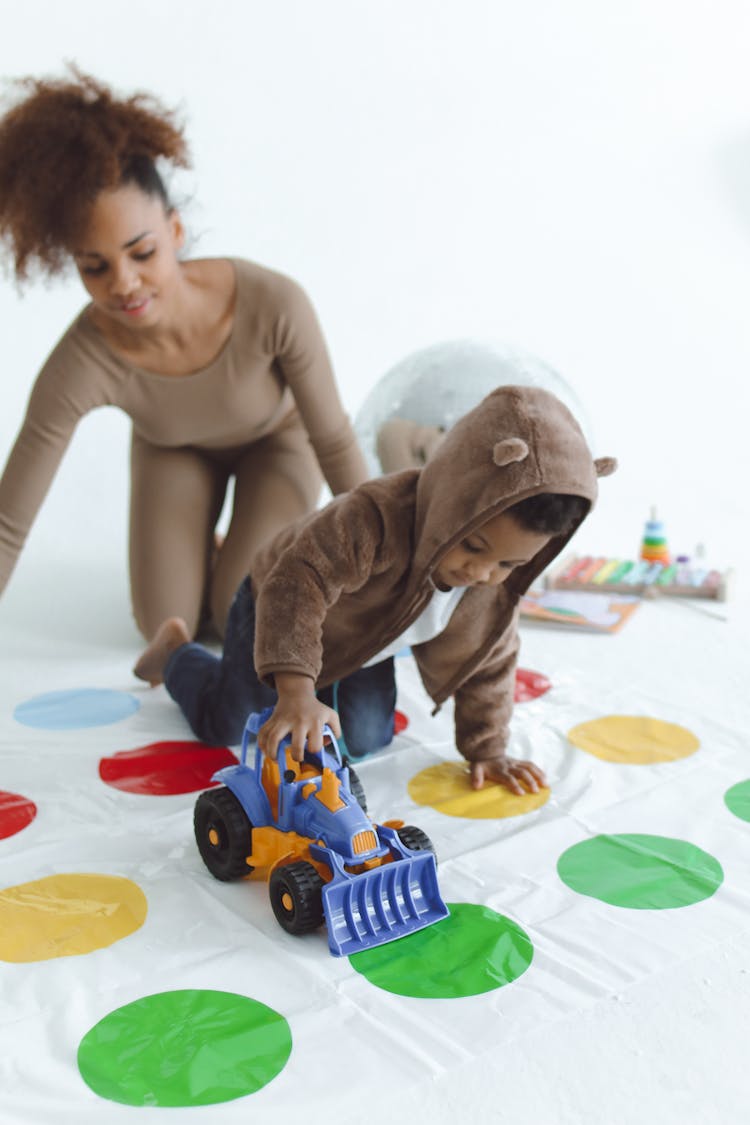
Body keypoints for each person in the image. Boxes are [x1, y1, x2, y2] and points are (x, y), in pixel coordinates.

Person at [0, 70, 368, 639]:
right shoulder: (83, 359)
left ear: (174, 231)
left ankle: (237, 551)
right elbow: (8, 521)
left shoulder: (274, 303)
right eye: (94, 266)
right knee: (167, 627)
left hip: (278, 446)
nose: (123, 283)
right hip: (172, 453)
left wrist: (397, 560)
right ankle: (211, 549)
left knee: (237, 617)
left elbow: (336, 441)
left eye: (141, 252)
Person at [134, 384, 616, 794]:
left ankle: (318, 684)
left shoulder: (493, 585)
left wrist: (487, 749)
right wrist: (297, 690)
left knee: (364, 738)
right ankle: (176, 653)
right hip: (277, 603)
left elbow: (489, 661)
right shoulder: (373, 518)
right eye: (472, 545)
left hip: (367, 639)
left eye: (509, 563)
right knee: (231, 722)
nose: (482, 573)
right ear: (450, 497)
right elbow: (297, 584)